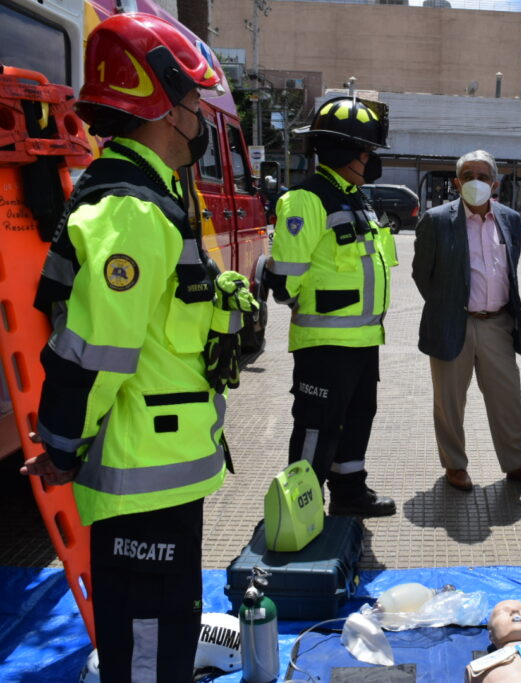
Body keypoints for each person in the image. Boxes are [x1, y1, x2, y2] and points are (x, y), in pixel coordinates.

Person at [22, 14, 251, 679]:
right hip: (140, 480)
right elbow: (96, 351)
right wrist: (60, 443)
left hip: (158, 475)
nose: (199, 119)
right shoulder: (132, 212)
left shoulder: (147, 202)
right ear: (164, 105)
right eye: (192, 103)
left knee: (163, 630)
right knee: (150, 648)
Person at [263, 95, 398, 517]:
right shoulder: (305, 201)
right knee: (317, 426)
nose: (371, 160)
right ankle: (297, 509)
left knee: (358, 418)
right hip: (323, 342)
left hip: (363, 339)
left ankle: (349, 492)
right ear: (343, 151)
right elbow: (285, 283)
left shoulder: (358, 199)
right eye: (366, 152)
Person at [412, 150, 521, 492]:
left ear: (495, 182)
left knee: (507, 397)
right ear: (457, 183)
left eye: (484, 176)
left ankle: (518, 463)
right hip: (452, 322)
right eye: (469, 175)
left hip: (498, 324)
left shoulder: (510, 219)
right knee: (449, 402)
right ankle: (455, 465)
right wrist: (449, 305)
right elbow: (422, 275)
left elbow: (510, 270)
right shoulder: (436, 219)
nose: (476, 181)